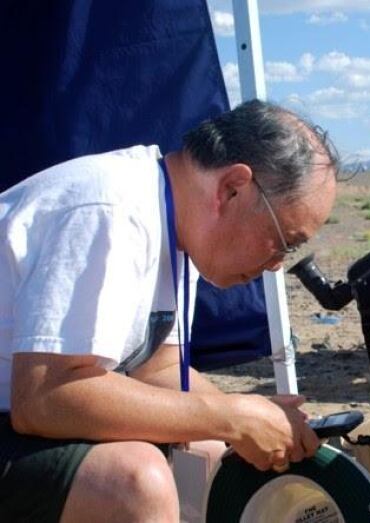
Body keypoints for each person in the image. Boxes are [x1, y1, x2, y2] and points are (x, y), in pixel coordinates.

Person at [0, 99, 339, 522]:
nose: (277, 264)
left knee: (216, 454)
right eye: (284, 241)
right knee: (136, 484)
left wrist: (253, 420)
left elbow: (157, 371)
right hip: (23, 409)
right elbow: (44, 396)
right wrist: (231, 416)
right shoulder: (111, 210)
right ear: (233, 187)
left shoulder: (177, 228)